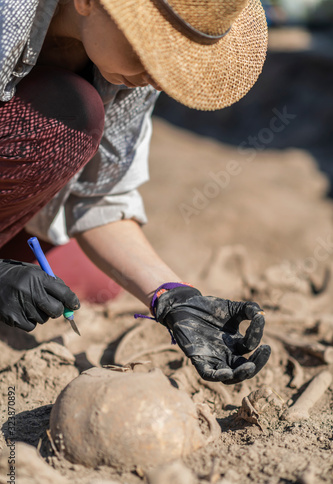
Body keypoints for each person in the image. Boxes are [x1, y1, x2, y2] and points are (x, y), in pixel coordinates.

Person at [0, 0, 271, 384]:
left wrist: (173, 296)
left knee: (97, 285)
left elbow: (97, 198)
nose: (160, 78)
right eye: (152, 48)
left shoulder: (128, 71)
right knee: (69, 112)